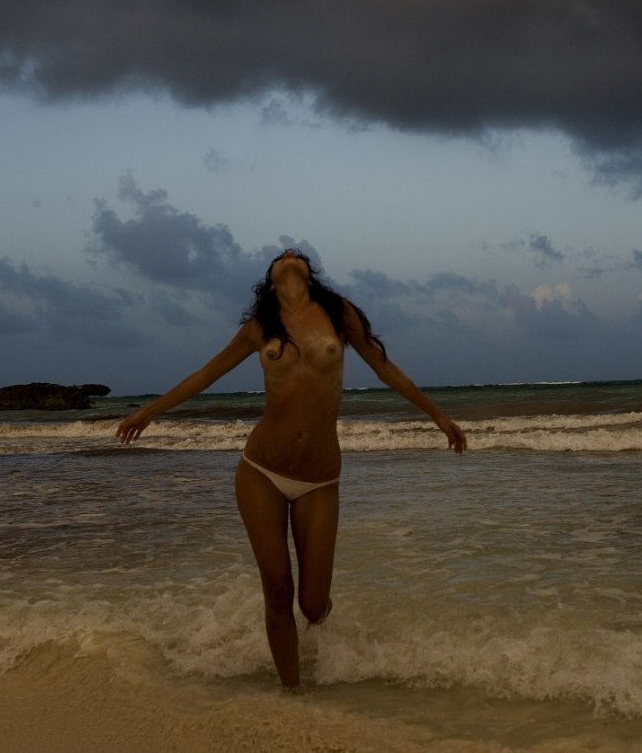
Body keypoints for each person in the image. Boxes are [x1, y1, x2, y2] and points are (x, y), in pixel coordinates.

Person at [116, 249, 467, 688]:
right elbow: (205, 375)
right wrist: (149, 412)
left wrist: (438, 416)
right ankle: (293, 695)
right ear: (270, 279)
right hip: (261, 470)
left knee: (313, 604)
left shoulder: (339, 314)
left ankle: (323, 637)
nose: (287, 255)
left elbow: (385, 368)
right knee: (278, 586)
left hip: (319, 478)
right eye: (280, 256)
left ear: (309, 273)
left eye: (295, 254)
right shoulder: (259, 328)